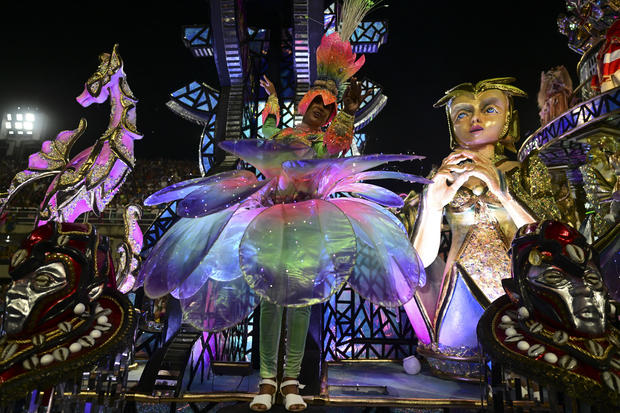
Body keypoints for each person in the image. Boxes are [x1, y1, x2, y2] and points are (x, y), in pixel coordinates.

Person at [403, 78, 561, 380]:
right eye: (462, 113)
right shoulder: (442, 176)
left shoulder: (525, 170)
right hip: (457, 294)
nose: (475, 119)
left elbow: (548, 243)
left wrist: (503, 191)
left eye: (489, 109)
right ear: (451, 125)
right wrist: (433, 205)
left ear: (508, 118)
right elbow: (418, 262)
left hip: (514, 288)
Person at [248, 72, 362, 412]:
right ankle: (267, 380)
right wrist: (271, 99)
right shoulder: (282, 136)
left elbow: (338, 147)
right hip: (273, 221)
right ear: (305, 103)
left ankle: (291, 381)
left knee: (299, 301)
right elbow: (267, 132)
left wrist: (349, 113)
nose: (320, 109)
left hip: (308, 224)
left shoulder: (324, 144)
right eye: (316, 101)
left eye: (328, 107)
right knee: (270, 300)